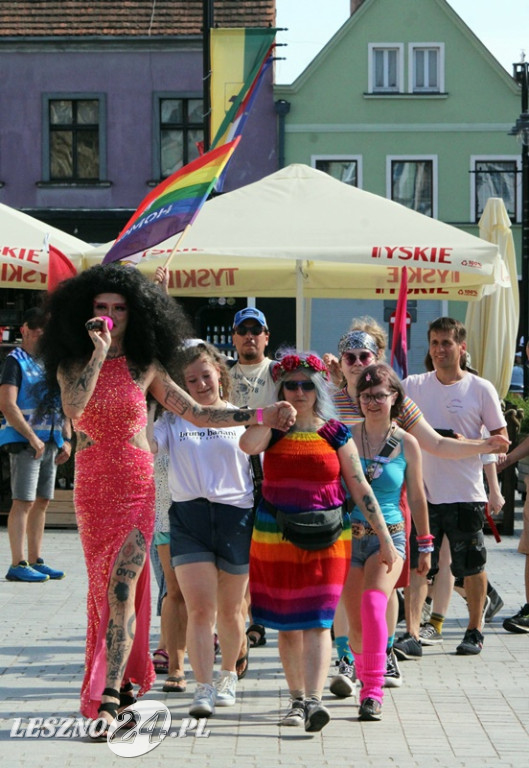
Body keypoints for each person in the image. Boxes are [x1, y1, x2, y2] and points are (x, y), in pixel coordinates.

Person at [37, 264, 296, 736]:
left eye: (120, 308)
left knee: (121, 590)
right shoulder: (72, 364)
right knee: (103, 591)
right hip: (94, 487)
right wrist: (97, 353)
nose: (111, 315)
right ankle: (129, 676)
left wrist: (263, 412)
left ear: (135, 314)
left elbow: (199, 412)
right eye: (102, 308)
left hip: (137, 486)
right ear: (86, 312)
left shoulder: (146, 366)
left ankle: (110, 693)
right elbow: (75, 409)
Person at [323, 318, 508, 682]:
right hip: (343, 516)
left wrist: (483, 445)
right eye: (351, 357)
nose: (359, 364)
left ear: (376, 358)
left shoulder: (393, 401)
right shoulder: (329, 400)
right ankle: (346, 655)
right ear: (341, 362)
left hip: (390, 508)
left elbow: (436, 444)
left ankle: (384, 650)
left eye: (366, 356)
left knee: (387, 587)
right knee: (347, 592)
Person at [240, 349, 399, 732]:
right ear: (280, 388)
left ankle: (313, 701)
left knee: (318, 621)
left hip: (329, 540)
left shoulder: (335, 431)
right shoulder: (272, 431)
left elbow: (359, 486)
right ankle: (296, 699)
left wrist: (384, 536)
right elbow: (247, 446)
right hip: (277, 537)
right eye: (290, 385)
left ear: (318, 388)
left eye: (306, 385)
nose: (298, 392)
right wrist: (269, 414)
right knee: (289, 626)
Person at [150, 341, 255, 718]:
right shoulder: (170, 422)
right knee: (199, 609)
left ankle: (228, 674)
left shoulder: (241, 415)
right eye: (190, 380)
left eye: (205, 376)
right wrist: (146, 404)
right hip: (188, 518)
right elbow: (146, 447)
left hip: (235, 516)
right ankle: (203, 687)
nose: (200, 385)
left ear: (219, 376)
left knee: (230, 611)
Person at [401, 317, 508, 656]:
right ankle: (413, 634)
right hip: (423, 494)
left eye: (446, 343)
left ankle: (475, 630)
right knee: (420, 566)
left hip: (465, 495)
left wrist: (470, 443)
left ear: (461, 348)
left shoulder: (480, 388)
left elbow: (502, 441)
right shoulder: (414, 384)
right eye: (434, 343)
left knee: (471, 566)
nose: (439, 350)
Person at [344, 363, 431, 720]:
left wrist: (424, 543)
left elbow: (419, 497)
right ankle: (364, 676)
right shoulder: (346, 436)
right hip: (349, 539)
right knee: (354, 625)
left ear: (394, 397)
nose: (373, 402)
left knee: (372, 605)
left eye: (380, 395)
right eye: (366, 396)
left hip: (390, 539)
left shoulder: (408, 443)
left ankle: (373, 691)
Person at [0, 307, 71, 583]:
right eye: (39, 327)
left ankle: (35, 558)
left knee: (42, 501)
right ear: (25, 330)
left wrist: (66, 438)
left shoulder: (48, 362)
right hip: (25, 442)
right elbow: (7, 404)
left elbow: (63, 402)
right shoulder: (14, 361)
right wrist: (31, 437)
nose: (44, 333)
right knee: (23, 501)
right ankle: (17, 563)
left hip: (48, 442)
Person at [229, 306, 276, 655]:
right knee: (241, 546)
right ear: (233, 337)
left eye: (255, 331)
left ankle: (259, 615)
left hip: (270, 463)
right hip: (232, 464)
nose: (249, 337)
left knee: (263, 547)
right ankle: (243, 617)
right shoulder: (222, 375)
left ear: (266, 337)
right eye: (243, 331)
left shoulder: (277, 372)